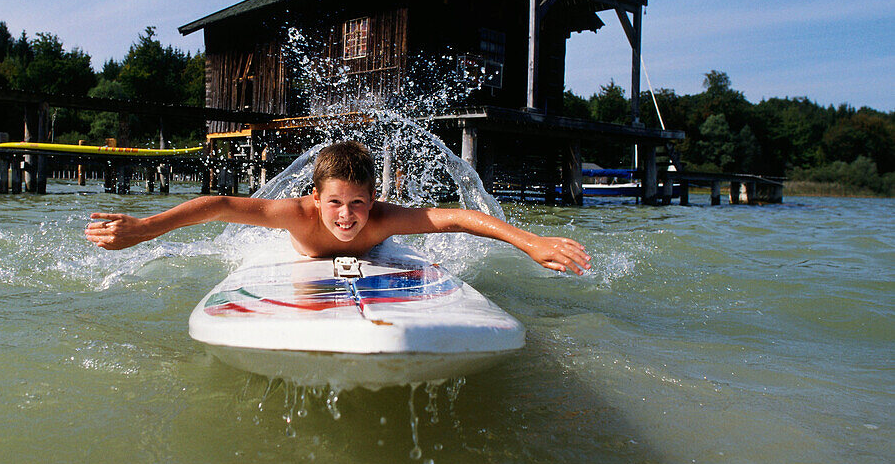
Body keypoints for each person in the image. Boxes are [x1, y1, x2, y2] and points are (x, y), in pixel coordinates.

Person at [85, 141, 591, 274]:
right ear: (315, 200)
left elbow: (458, 217)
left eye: (357, 204)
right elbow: (216, 204)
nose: (346, 216)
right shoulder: (296, 215)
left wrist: (533, 243)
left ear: (374, 200)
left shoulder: (385, 221)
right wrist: (144, 227)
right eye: (334, 204)